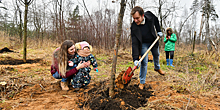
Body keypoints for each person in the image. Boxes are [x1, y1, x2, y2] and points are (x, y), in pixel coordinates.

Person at [130, 6, 165, 90]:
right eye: (134, 18)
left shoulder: (149, 16)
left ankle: (157, 67)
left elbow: (156, 20)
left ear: (142, 16)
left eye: (137, 18)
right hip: (143, 44)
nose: (135, 20)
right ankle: (142, 82)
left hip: (153, 40)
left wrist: (159, 30)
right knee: (144, 62)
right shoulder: (134, 27)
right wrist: (135, 59)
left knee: (156, 55)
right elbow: (134, 43)